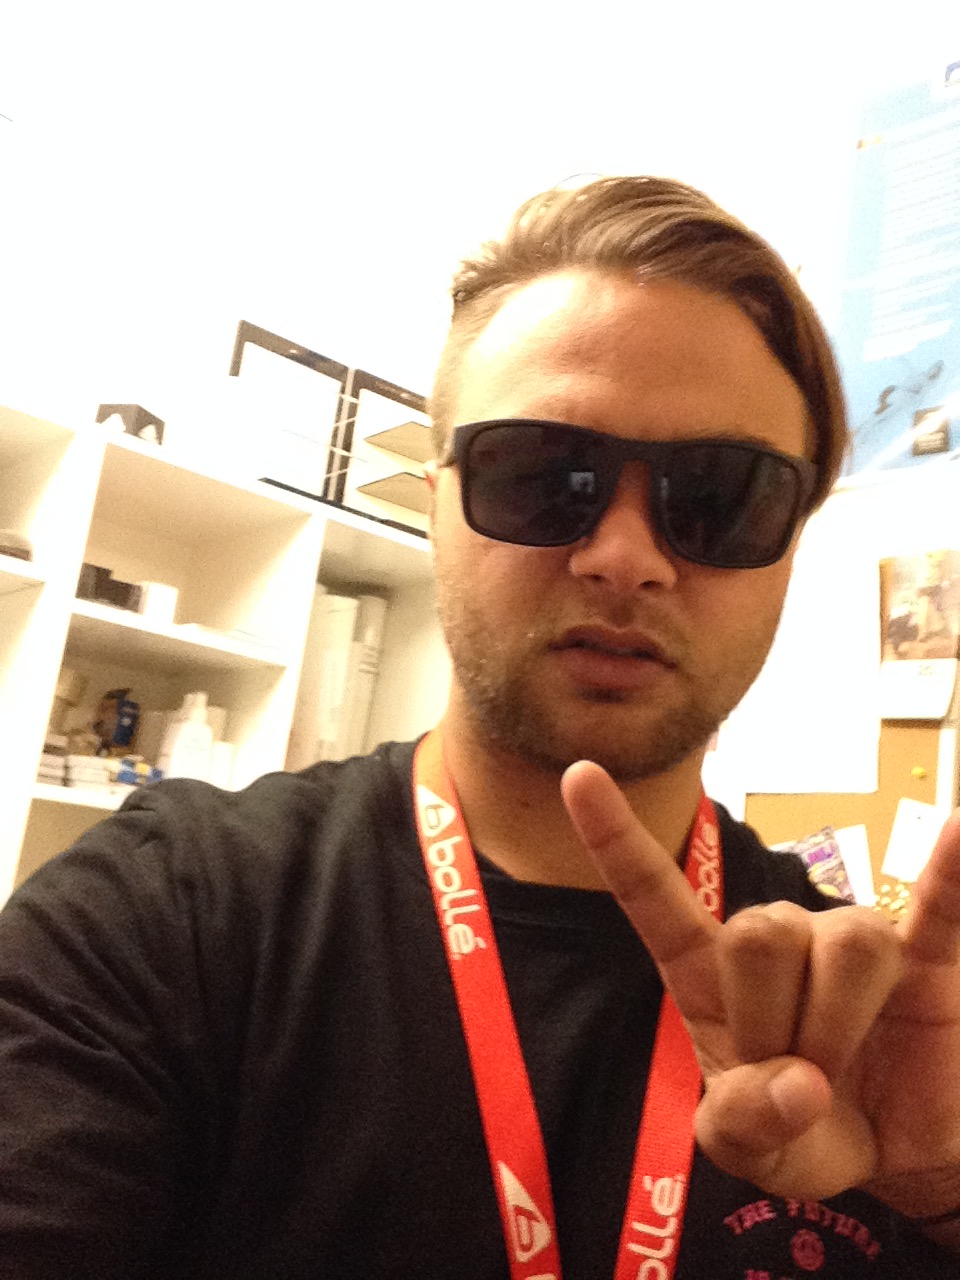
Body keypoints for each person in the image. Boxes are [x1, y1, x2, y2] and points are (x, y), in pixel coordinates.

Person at [2, 176, 960, 1279]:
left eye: (722, 494)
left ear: (789, 546)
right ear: (435, 504)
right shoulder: (159, 921)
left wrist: (942, 1196)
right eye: (544, 474)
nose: (625, 557)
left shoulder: (865, 1035)